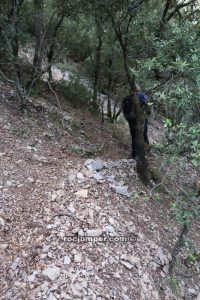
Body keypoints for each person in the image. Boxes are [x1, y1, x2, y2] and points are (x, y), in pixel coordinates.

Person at [122, 85, 150, 159]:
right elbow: (148, 108)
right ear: (139, 89)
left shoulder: (127, 98)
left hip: (131, 119)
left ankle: (135, 154)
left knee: (134, 136)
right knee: (143, 134)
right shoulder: (142, 96)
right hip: (141, 119)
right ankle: (145, 152)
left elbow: (124, 111)